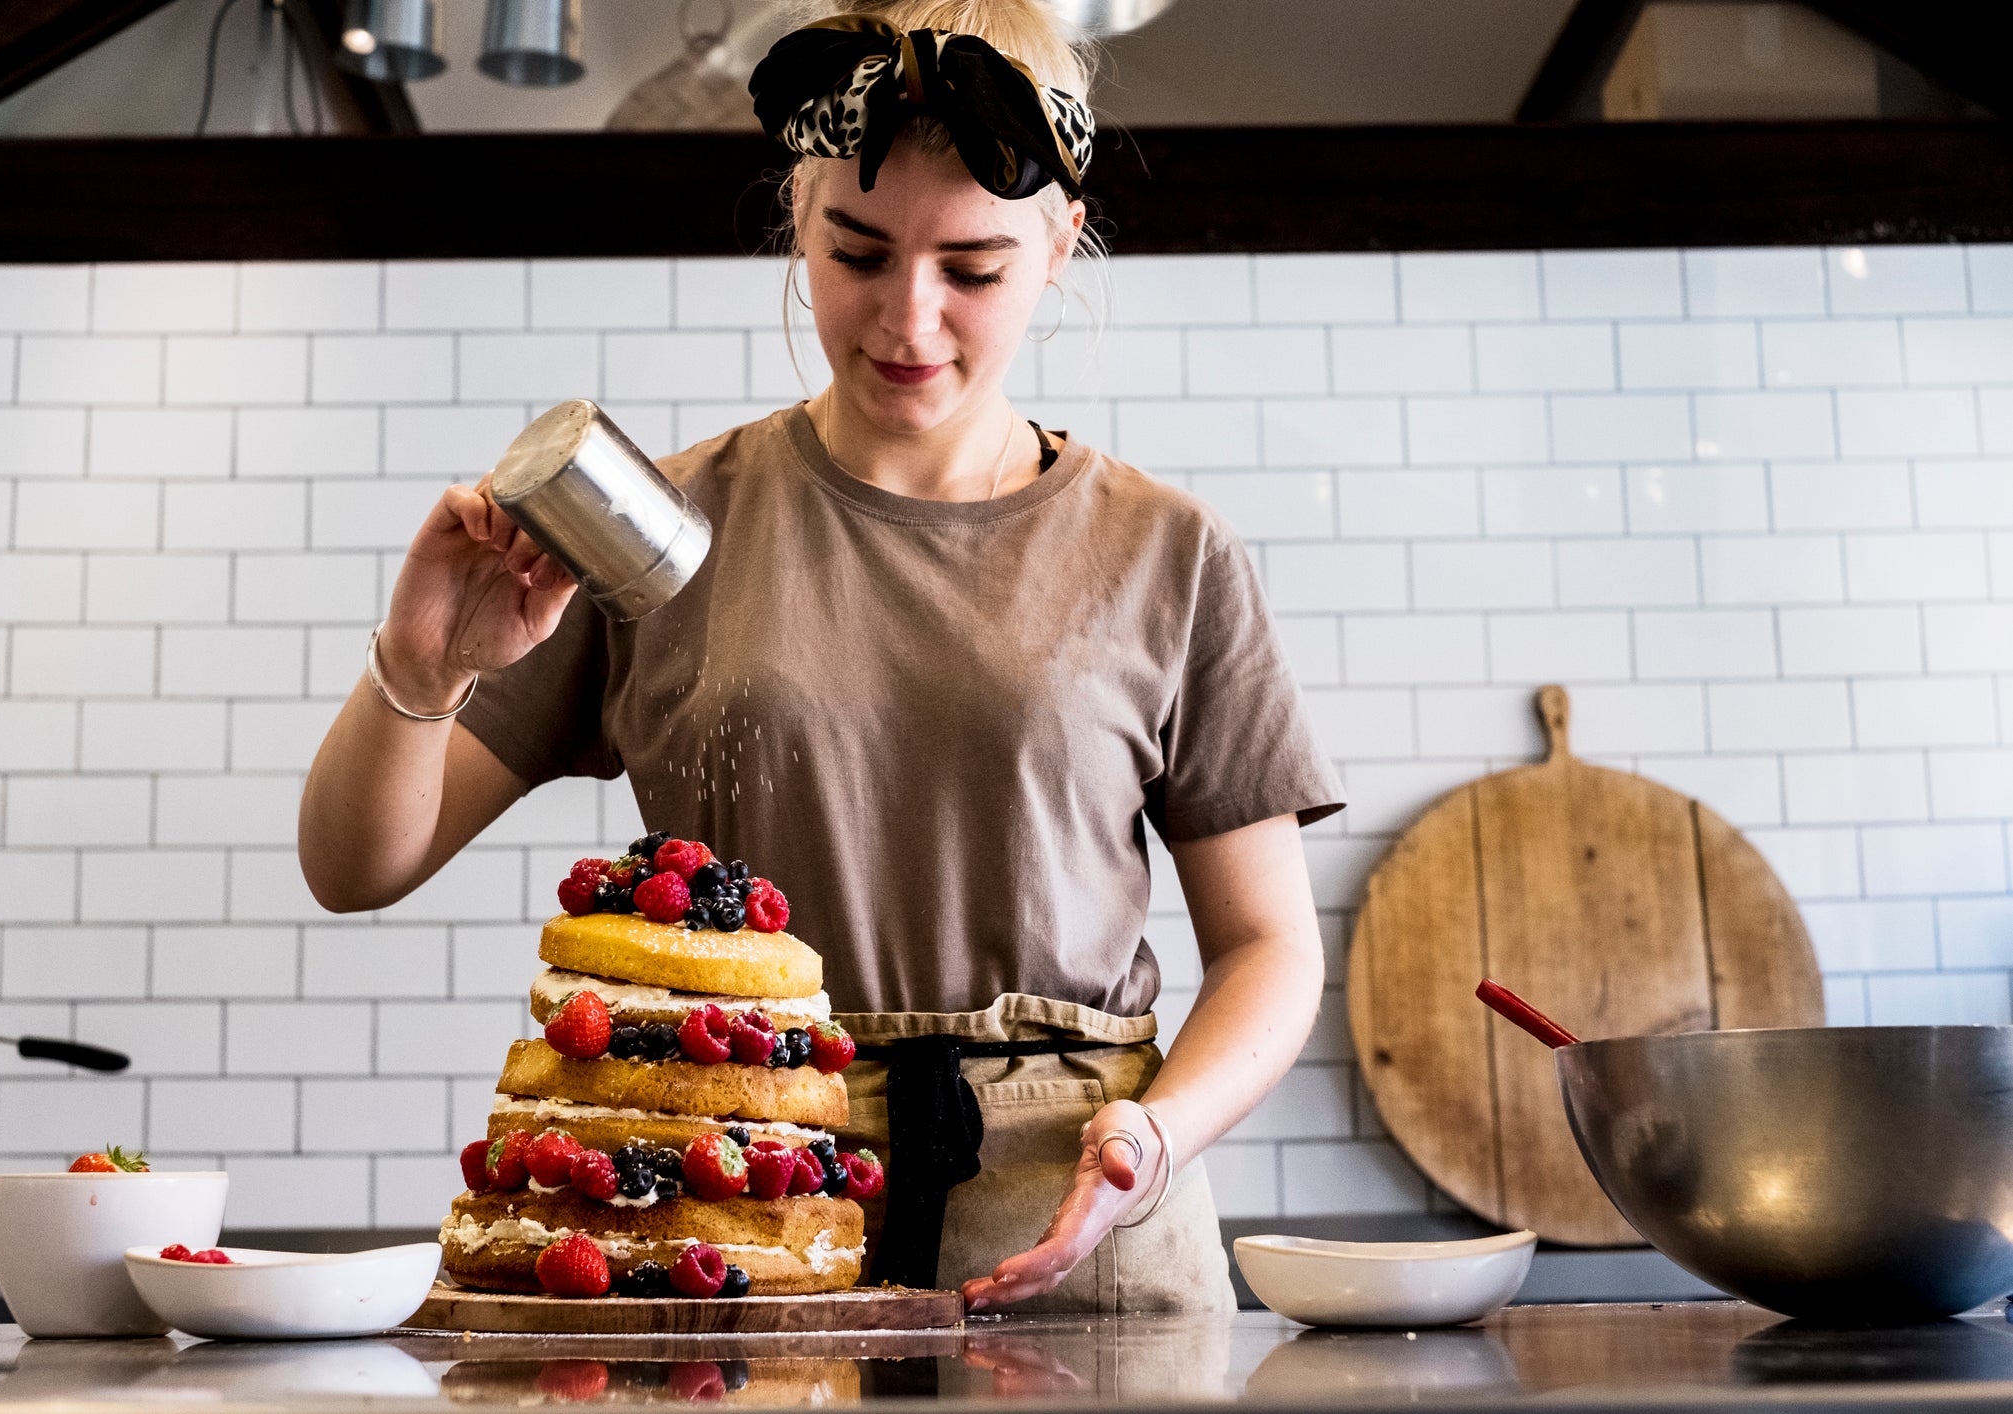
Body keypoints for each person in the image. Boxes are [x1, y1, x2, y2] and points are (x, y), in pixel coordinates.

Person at [298, 0, 1343, 1314]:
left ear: (1059, 242)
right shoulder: (657, 528)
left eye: (973, 268)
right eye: (859, 250)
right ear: (799, 215)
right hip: (737, 1215)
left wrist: (1162, 1130)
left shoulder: (1166, 552)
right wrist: (421, 666)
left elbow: (1267, 947)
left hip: (1081, 1223)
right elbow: (354, 865)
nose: (910, 318)